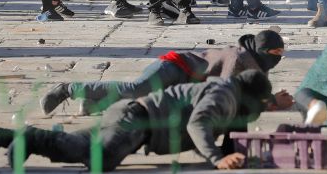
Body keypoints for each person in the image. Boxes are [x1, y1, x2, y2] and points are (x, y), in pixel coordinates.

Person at [0, 70, 273, 172]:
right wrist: (217, 159)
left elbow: (232, 129)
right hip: (136, 120)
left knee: (79, 146)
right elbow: (198, 123)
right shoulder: (224, 96)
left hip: (132, 117)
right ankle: (29, 137)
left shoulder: (228, 95)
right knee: (101, 159)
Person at [40, 30, 292, 114]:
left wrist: (269, 100)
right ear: (264, 51)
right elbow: (226, 92)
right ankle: (67, 89)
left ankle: (93, 103)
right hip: (174, 68)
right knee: (136, 90)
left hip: (185, 83)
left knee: (146, 106)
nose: (278, 60)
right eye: (276, 54)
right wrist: (269, 102)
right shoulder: (238, 58)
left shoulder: (256, 64)